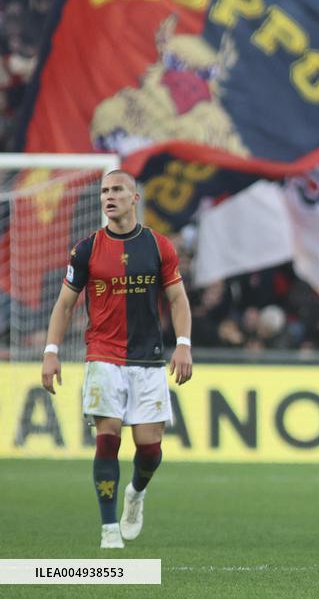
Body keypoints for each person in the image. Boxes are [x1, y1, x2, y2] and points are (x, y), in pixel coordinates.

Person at [40, 170, 193, 549]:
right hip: (103, 356)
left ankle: (136, 494)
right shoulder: (87, 249)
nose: (109, 196)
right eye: (105, 191)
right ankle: (109, 528)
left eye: (117, 190)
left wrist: (184, 343)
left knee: (150, 449)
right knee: (107, 440)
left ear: (134, 197)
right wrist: (51, 352)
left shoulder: (159, 247)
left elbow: (177, 299)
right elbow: (64, 305)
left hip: (148, 360)